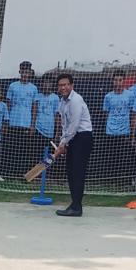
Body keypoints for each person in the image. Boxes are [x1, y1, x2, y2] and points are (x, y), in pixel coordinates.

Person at [53, 73, 92, 217]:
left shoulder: (76, 100)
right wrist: (63, 143)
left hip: (82, 137)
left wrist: (64, 143)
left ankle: (76, 207)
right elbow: (65, 124)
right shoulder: (62, 102)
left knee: (77, 172)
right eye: (60, 85)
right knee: (71, 172)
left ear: (71, 85)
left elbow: (74, 125)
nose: (63, 87)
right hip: (72, 138)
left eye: (66, 85)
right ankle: (75, 204)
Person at [5, 62, 38, 178]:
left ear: (30, 72)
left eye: (27, 72)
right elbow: (8, 105)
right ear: (20, 72)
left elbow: (34, 107)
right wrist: (6, 122)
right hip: (13, 123)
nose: (25, 74)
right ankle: (9, 173)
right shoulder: (13, 86)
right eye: (23, 71)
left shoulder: (34, 88)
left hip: (26, 124)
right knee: (11, 149)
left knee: (23, 151)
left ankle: (21, 174)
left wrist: (32, 125)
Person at [103, 71, 134, 187]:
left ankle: (124, 181)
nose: (118, 82)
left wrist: (131, 131)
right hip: (111, 131)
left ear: (124, 81)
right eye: (115, 80)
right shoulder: (108, 96)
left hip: (125, 130)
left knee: (124, 156)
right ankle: (111, 180)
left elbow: (132, 113)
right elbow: (106, 113)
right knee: (111, 156)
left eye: (120, 80)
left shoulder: (130, 95)